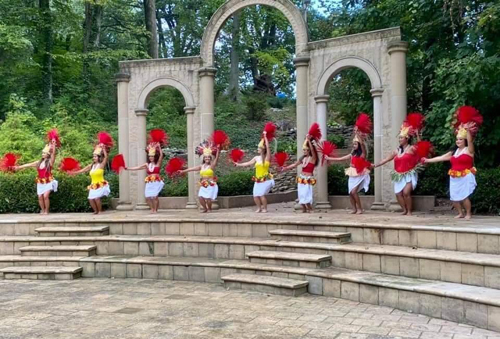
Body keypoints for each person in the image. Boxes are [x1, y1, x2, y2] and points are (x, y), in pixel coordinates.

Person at [423, 108, 480, 219]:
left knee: (464, 197)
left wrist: (467, 130)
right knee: (454, 197)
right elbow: (440, 158)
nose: (458, 141)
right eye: (457, 139)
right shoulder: (454, 152)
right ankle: (460, 213)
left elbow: (471, 141)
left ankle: (468, 213)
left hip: (465, 176)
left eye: (460, 139)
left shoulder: (469, 150)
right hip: (454, 176)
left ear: (465, 140)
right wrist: (427, 160)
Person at [372, 120, 421, 216]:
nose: (399, 139)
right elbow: (386, 159)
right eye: (399, 138)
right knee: (398, 194)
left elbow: (420, 147)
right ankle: (404, 210)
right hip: (398, 175)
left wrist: (417, 135)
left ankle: (409, 211)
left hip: (409, 174)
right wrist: (375, 165)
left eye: (401, 138)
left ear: (407, 139)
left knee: (406, 193)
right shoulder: (397, 151)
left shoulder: (411, 148)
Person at [326, 138, 370, 214]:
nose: (354, 145)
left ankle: (360, 209)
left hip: (359, 174)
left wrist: (360, 137)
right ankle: (354, 209)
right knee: (350, 192)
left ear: (359, 145)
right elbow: (341, 158)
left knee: (354, 192)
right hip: (352, 174)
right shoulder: (352, 154)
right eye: (353, 144)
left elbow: (363, 147)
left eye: (356, 144)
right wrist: (329, 158)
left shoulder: (362, 155)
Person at [13, 140, 57, 215]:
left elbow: (53, 154)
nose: (43, 154)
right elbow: (28, 165)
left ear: (48, 155)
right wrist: (18, 167)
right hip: (40, 182)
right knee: (40, 197)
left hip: (48, 181)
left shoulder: (50, 162)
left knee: (45, 196)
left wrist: (54, 146)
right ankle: (42, 210)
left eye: (44, 153)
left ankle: (47, 210)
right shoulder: (38, 162)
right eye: (42, 153)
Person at [234, 132, 273, 213]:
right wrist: (238, 164)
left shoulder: (267, 158)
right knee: (255, 195)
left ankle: (265, 208)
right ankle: (259, 208)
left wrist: (265, 137)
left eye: (259, 148)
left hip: (265, 179)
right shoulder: (256, 158)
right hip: (258, 179)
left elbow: (268, 148)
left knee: (261, 194)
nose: (257, 149)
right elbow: (247, 163)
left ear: (263, 149)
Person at [281, 135, 318, 213]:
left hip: (308, 178)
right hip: (301, 178)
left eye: (305, 150)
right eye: (303, 150)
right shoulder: (303, 159)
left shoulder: (313, 158)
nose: (304, 151)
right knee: (301, 194)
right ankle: (304, 208)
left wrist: (308, 141)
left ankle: (310, 209)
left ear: (309, 151)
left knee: (306, 194)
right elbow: (294, 164)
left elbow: (313, 150)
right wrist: (286, 168)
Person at [179, 144, 220, 213]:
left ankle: (209, 209)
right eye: (205, 157)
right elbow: (192, 169)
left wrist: (218, 150)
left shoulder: (212, 166)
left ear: (210, 158)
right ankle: (205, 208)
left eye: (208, 157)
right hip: (204, 184)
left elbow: (216, 159)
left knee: (208, 198)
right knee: (200, 197)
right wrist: (183, 171)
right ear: (204, 158)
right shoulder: (201, 166)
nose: (207, 158)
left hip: (210, 183)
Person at [125, 142, 164, 214]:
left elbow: (161, 155)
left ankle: (155, 210)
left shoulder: (158, 163)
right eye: (149, 156)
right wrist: (128, 168)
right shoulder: (147, 164)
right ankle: (152, 209)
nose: (151, 158)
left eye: (152, 156)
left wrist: (159, 147)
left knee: (155, 196)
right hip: (149, 182)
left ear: (155, 157)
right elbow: (138, 167)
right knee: (148, 197)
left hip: (156, 182)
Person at [71, 144, 110, 214]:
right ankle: (96, 211)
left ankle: (100, 211)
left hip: (100, 184)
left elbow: (106, 157)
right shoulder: (91, 166)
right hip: (93, 185)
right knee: (90, 199)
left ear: (99, 157)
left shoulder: (101, 165)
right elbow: (82, 170)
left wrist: (103, 149)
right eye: (93, 156)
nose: (94, 158)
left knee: (97, 198)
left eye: (95, 156)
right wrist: (74, 172)